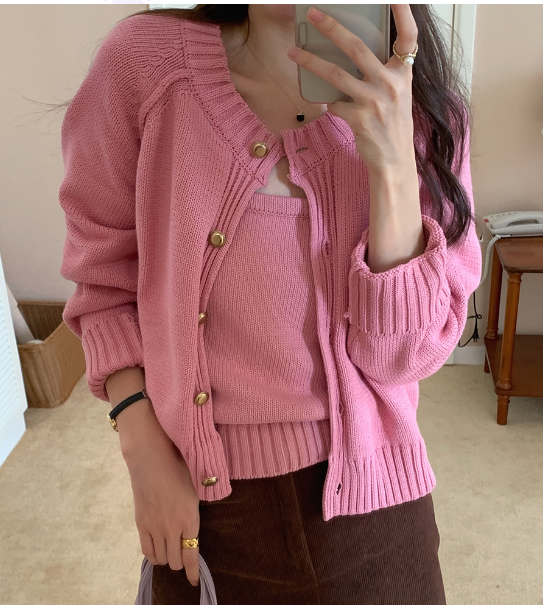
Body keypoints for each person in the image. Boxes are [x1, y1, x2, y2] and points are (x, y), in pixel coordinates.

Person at [58, 4, 482, 605]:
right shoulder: (144, 66)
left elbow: (402, 360)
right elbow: (103, 282)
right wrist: (142, 449)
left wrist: (392, 167)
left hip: (375, 505)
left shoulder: (426, 113)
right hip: (202, 509)